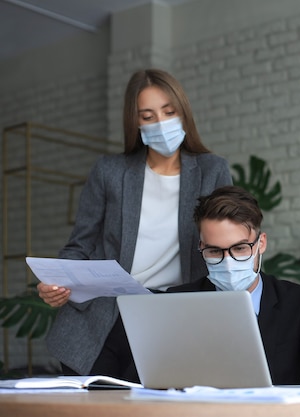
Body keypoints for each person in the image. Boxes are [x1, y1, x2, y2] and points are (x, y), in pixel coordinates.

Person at [37, 69, 233, 381]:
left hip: (174, 318)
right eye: (148, 115)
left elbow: (227, 242)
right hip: (103, 320)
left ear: (184, 112)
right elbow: (80, 244)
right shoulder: (109, 171)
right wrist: (58, 282)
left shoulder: (212, 170)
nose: (161, 123)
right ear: (136, 122)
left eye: (169, 112)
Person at [167, 185, 300, 386]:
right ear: (201, 247)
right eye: (214, 251)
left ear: (261, 243)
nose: (228, 263)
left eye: (240, 248)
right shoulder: (177, 302)